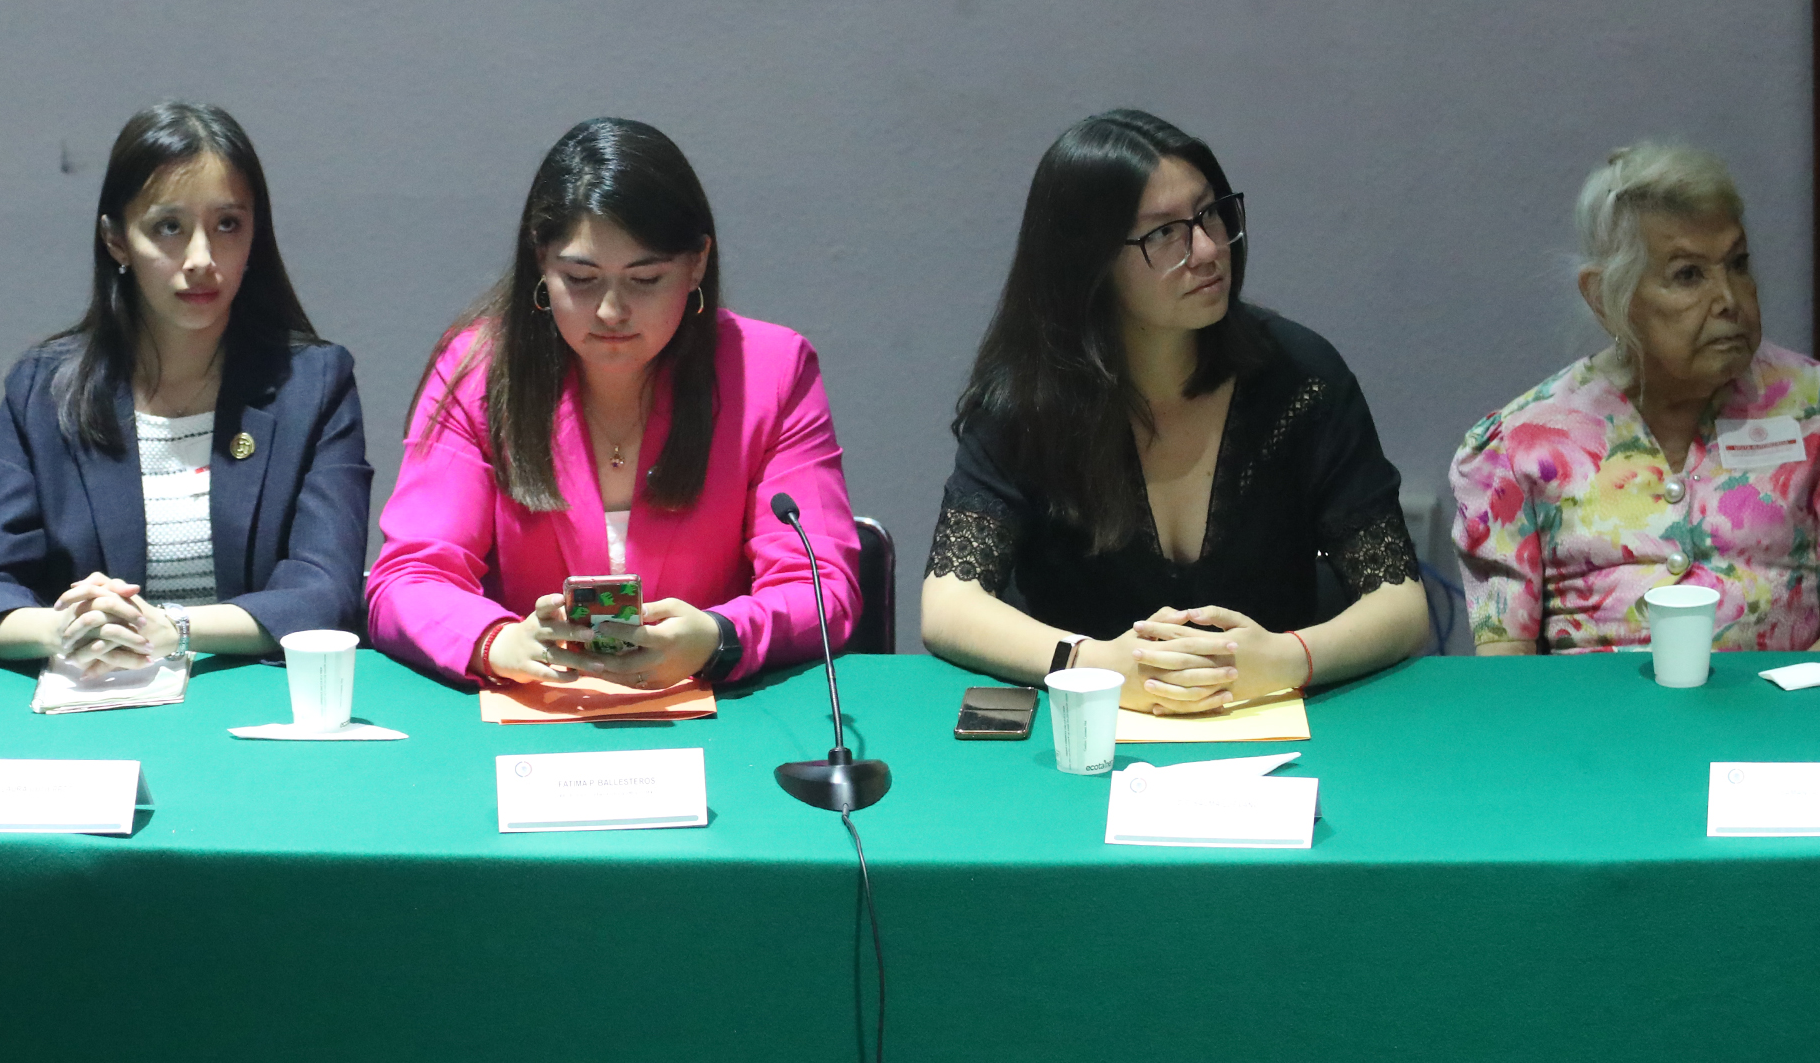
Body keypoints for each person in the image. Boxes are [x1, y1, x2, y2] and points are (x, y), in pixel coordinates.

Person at [920, 108, 1427, 712]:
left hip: (1271, 720)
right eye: (1163, 233)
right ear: (1087, 262)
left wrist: (1286, 658)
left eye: (1211, 213)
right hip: (1086, 733)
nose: (1208, 249)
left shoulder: (1300, 377)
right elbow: (948, 605)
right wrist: (1095, 664)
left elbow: (1401, 605)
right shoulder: (1029, 401)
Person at [367, 117, 859, 690]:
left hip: (713, 715)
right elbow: (408, 578)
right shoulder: (476, 370)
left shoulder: (772, 371)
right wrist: (496, 641)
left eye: (645, 279)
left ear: (697, 263)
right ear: (541, 261)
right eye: (581, 278)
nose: (611, 311)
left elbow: (821, 587)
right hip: (535, 711)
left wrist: (720, 637)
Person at [0, 102, 369, 670]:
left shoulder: (313, 385)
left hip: (251, 698)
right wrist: (71, 627)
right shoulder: (42, 390)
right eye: (169, 227)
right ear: (117, 241)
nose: (201, 259)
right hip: (95, 694)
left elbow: (326, 594)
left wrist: (171, 629)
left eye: (227, 225)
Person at [1453, 144, 1818, 653]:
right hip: (1585, 707)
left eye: (1738, 265)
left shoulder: (1810, 408)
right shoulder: (1520, 447)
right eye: (1688, 274)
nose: (1729, 300)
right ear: (1606, 298)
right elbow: (1504, 666)